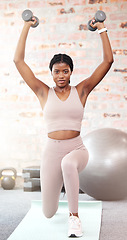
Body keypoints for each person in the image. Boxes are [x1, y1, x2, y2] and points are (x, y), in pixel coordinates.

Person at [14, 14, 114, 238]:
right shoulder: (42, 91)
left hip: (76, 149)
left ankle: (74, 218)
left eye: (65, 70)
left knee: (69, 164)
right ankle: (60, 208)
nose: (61, 75)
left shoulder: (82, 90)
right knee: (48, 212)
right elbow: (18, 62)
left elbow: (107, 61)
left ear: (71, 71)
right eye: (57, 71)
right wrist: (26, 26)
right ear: (51, 72)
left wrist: (101, 28)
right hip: (51, 151)